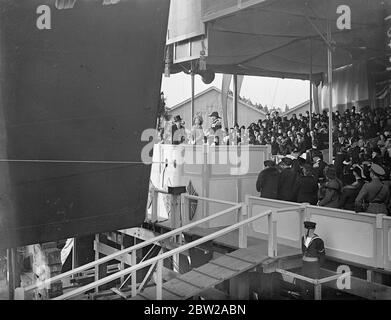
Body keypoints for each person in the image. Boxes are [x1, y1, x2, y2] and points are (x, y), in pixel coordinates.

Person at [301, 221, 325, 300]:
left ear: (310, 230)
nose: (304, 230)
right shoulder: (304, 238)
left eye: (305, 228)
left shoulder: (318, 241)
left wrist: (318, 266)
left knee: (313, 287)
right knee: (303, 285)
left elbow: (322, 255)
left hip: (313, 266)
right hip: (305, 265)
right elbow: (304, 251)